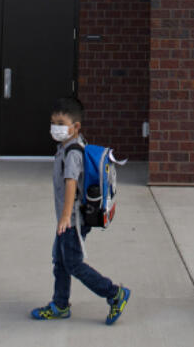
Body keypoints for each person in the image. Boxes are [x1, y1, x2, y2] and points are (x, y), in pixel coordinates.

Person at [29, 96, 131, 325]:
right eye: (53, 122)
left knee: (72, 263)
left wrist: (65, 216)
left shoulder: (73, 153)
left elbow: (71, 183)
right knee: (60, 261)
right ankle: (60, 304)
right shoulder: (68, 146)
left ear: (76, 127)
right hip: (69, 219)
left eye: (61, 123)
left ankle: (114, 293)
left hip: (72, 220)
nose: (55, 128)